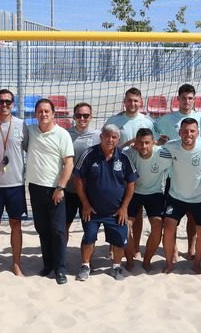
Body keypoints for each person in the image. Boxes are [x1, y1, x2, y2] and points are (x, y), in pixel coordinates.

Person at [73, 124, 138, 281]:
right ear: (101, 137)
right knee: (89, 237)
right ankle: (85, 266)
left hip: (116, 211)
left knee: (118, 240)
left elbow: (131, 184)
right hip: (92, 210)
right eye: (107, 136)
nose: (110, 139)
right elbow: (77, 179)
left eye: (114, 137)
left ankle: (116, 267)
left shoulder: (124, 157)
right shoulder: (89, 154)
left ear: (118, 139)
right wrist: (86, 204)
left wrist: (124, 208)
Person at [160, 118, 201, 274]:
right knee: (168, 226)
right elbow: (152, 153)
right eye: (185, 131)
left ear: (198, 133)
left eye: (192, 131)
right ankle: (169, 263)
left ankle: (197, 264)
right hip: (176, 196)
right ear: (179, 132)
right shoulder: (170, 147)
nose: (188, 134)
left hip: (200, 199)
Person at [105, 87, 157, 261]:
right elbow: (109, 146)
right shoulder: (115, 120)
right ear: (124, 101)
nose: (132, 104)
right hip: (119, 171)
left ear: (141, 102)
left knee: (137, 212)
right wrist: (130, 143)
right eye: (129, 100)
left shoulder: (148, 122)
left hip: (141, 172)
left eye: (136, 101)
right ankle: (114, 245)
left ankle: (135, 248)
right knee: (117, 209)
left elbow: (152, 146)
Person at [26, 98, 74, 285]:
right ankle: (48, 265)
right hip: (35, 188)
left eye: (47, 111)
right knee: (42, 229)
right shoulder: (30, 131)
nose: (43, 114)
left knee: (58, 230)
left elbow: (68, 163)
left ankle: (60, 269)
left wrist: (61, 187)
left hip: (55, 189)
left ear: (53, 114)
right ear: (36, 114)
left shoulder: (62, 134)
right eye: (40, 111)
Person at [155, 84, 201, 260]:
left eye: (190, 98)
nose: (187, 101)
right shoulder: (168, 119)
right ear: (178, 99)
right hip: (173, 175)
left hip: (196, 175)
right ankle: (173, 248)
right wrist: (159, 140)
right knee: (172, 217)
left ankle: (191, 248)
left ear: (194, 99)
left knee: (193, 215)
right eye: (184, 98)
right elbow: (155, 132)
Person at [0, 89, 28, 276]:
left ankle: (16, 263)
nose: (4, 105)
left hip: (15, 184)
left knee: (16, 224)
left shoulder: (22, 125)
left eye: (8, 102)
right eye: (1, 101)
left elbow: (31, 149)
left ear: (13, 104)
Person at [125, 128, 171, 271]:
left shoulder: (163, 154)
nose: (143, 146)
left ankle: (147, 260)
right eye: (140, 143)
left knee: (157, 226)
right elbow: (113, 151)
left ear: (153, 143)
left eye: (147, 143)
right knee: (125, 227)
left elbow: (182, 154)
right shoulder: (129, 153)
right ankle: (130, 260)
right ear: (135, 143)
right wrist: (129, 143)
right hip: (134, 193)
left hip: (155, 193)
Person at [65, 102, 100, 242]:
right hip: (69, 190)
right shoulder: (65, 134)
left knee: (89, 229)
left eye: (86, 115)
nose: (82, 118)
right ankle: (62, 259)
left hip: (90, 191)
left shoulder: (98, 136)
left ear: (91, 117)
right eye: (79, 115)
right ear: (74, 116)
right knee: (63, 226)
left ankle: (87, 261)